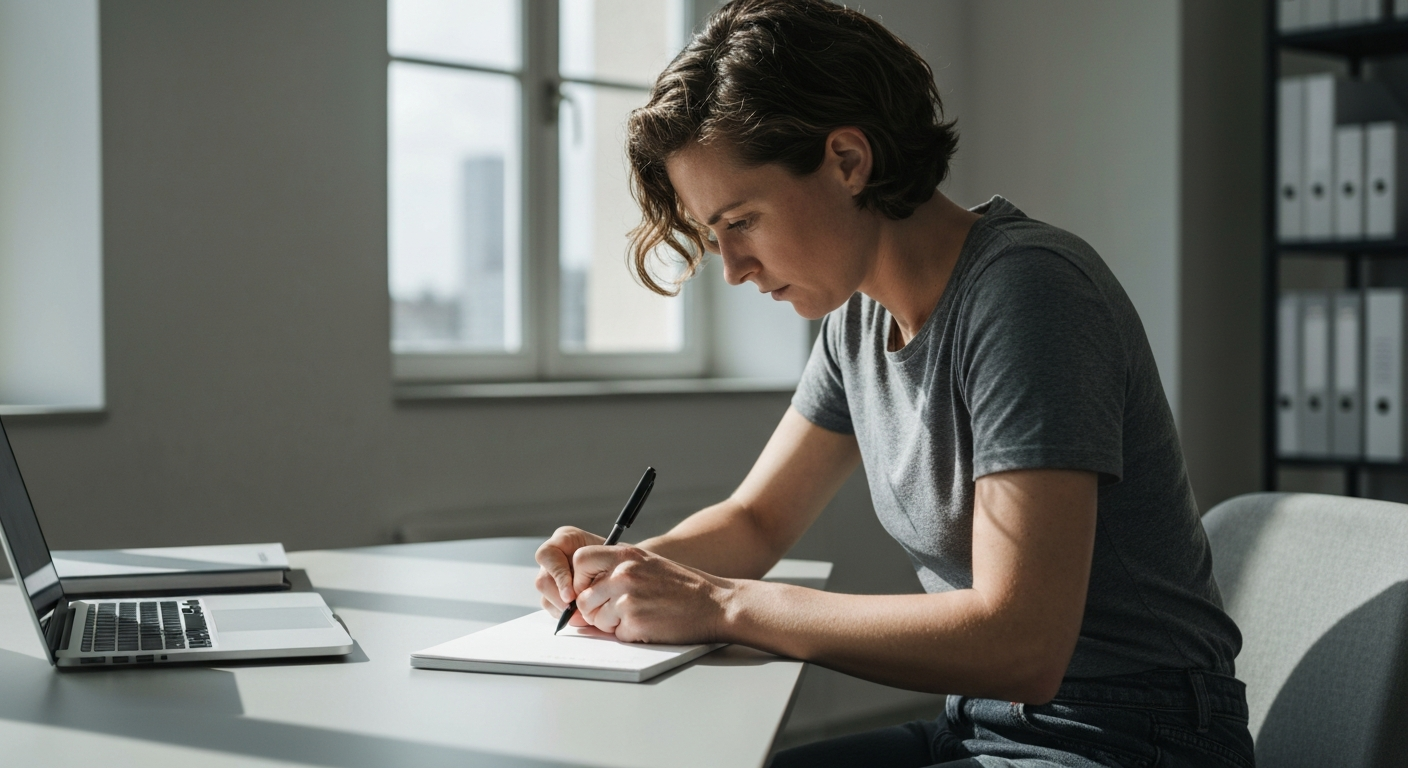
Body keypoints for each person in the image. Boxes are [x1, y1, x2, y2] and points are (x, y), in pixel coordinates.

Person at [533, 1, 1255, 765]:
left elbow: (1024, 645)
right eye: (715, 237)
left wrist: (719, 605)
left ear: (847, 160)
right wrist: (627, 574)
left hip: (1132, 738)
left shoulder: (1029, 295)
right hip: (985, 723)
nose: (735, 268)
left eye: (741, 220)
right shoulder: (857, 324)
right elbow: (756, 521)